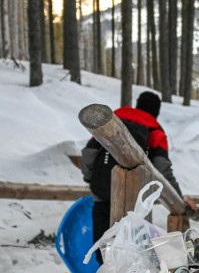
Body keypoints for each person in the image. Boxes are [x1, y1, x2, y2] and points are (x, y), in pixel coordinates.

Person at [80, 91, 187, 261]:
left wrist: (91, 179)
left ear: (137, 104)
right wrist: (179, 200)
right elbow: (162, 169)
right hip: (135, 201)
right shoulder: (155, 131)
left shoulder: (113, 120)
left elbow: (89, 154)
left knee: (105, 251)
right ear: (157, 111)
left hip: (102, 192)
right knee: (134, 255)